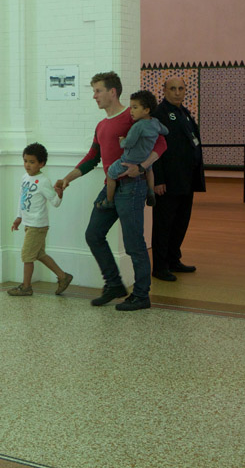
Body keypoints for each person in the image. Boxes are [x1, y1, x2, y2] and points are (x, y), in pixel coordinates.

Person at [55, 71, 166, 311]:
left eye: (98, 91)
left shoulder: (133, 115)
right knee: (94, 235)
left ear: (112, 92)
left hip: (132, 188)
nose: (94, 96)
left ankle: (141, 295)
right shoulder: (101, 125)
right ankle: (114, 284)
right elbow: (92, 157)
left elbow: (161, 143)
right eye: (93, 91)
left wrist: (141, 167)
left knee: (134, 243)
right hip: (110, 188)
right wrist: (67, 178)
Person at [150, 77, 205, 282]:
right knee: (164, 225)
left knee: (181, 222)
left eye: (181, 88)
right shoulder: (159, 114)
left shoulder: (184, 112)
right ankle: (160, 266)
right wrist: (158, 179)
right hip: (168, 181)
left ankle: (174, 259)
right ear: (164, 90)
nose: (177, 92)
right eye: (172, 88)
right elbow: (154, 149)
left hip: (186, 179)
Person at [9, 142, 72, 296]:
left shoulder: (43, 181)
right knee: (39, 254)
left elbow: (55, 202)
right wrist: (18, 218)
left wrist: (60, 193)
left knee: (27, 256)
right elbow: (21, 199)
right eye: (25, 161)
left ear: (41, 164)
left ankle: (26, 287)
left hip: (38, 225)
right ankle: (63, 277)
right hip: (28, 223)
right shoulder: (24, 178)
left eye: (32, 162)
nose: (27, 165)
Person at [98, 90, 165, 209]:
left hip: (130, 160)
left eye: (134, 107)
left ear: (146, 110)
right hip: (145, 158)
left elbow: (129, 143)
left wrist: (122, 141)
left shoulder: (137, 126)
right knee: (149, 171)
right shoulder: (155, 122)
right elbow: (166, 131)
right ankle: (150, 193)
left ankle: (109, 201)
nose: (131, 111)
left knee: (111, 173)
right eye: (131, 107)